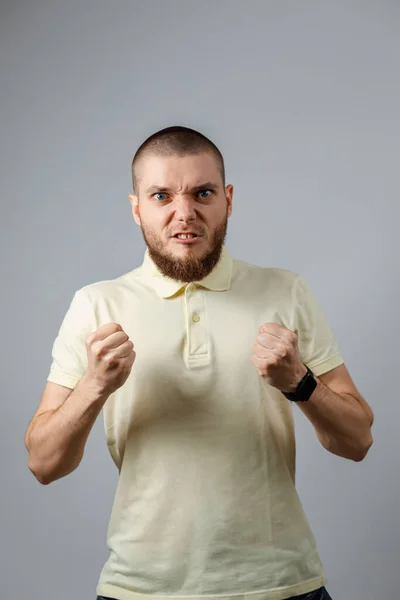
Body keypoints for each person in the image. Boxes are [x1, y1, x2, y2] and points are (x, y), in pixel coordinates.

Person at [25, 126, 374, 600]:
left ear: (227, 199)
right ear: (136, 208)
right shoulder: (95, 305)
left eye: (202, 193)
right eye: (161, 195)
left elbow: (358, 440)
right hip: (140, 589)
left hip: (283, 585)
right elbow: (43, 463)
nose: (183, 213)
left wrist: (300, 382)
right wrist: (94, 386)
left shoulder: (285, 291)